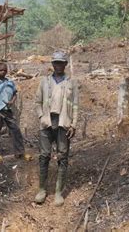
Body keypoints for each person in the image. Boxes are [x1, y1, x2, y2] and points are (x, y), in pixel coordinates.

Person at [34, 51, 79, 206]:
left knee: (62, 156)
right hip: (47, 122)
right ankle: (42, 189)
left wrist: (73, 124)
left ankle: (59, 192)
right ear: (52, 64)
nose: (58, 65)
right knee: (44, 156)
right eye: (56, 63)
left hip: (63, 123)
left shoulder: (71, 83)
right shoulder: (44, 82)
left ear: (65, 65)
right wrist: (41, 117)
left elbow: (75, 105)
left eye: (61, 63)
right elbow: (37, 102)